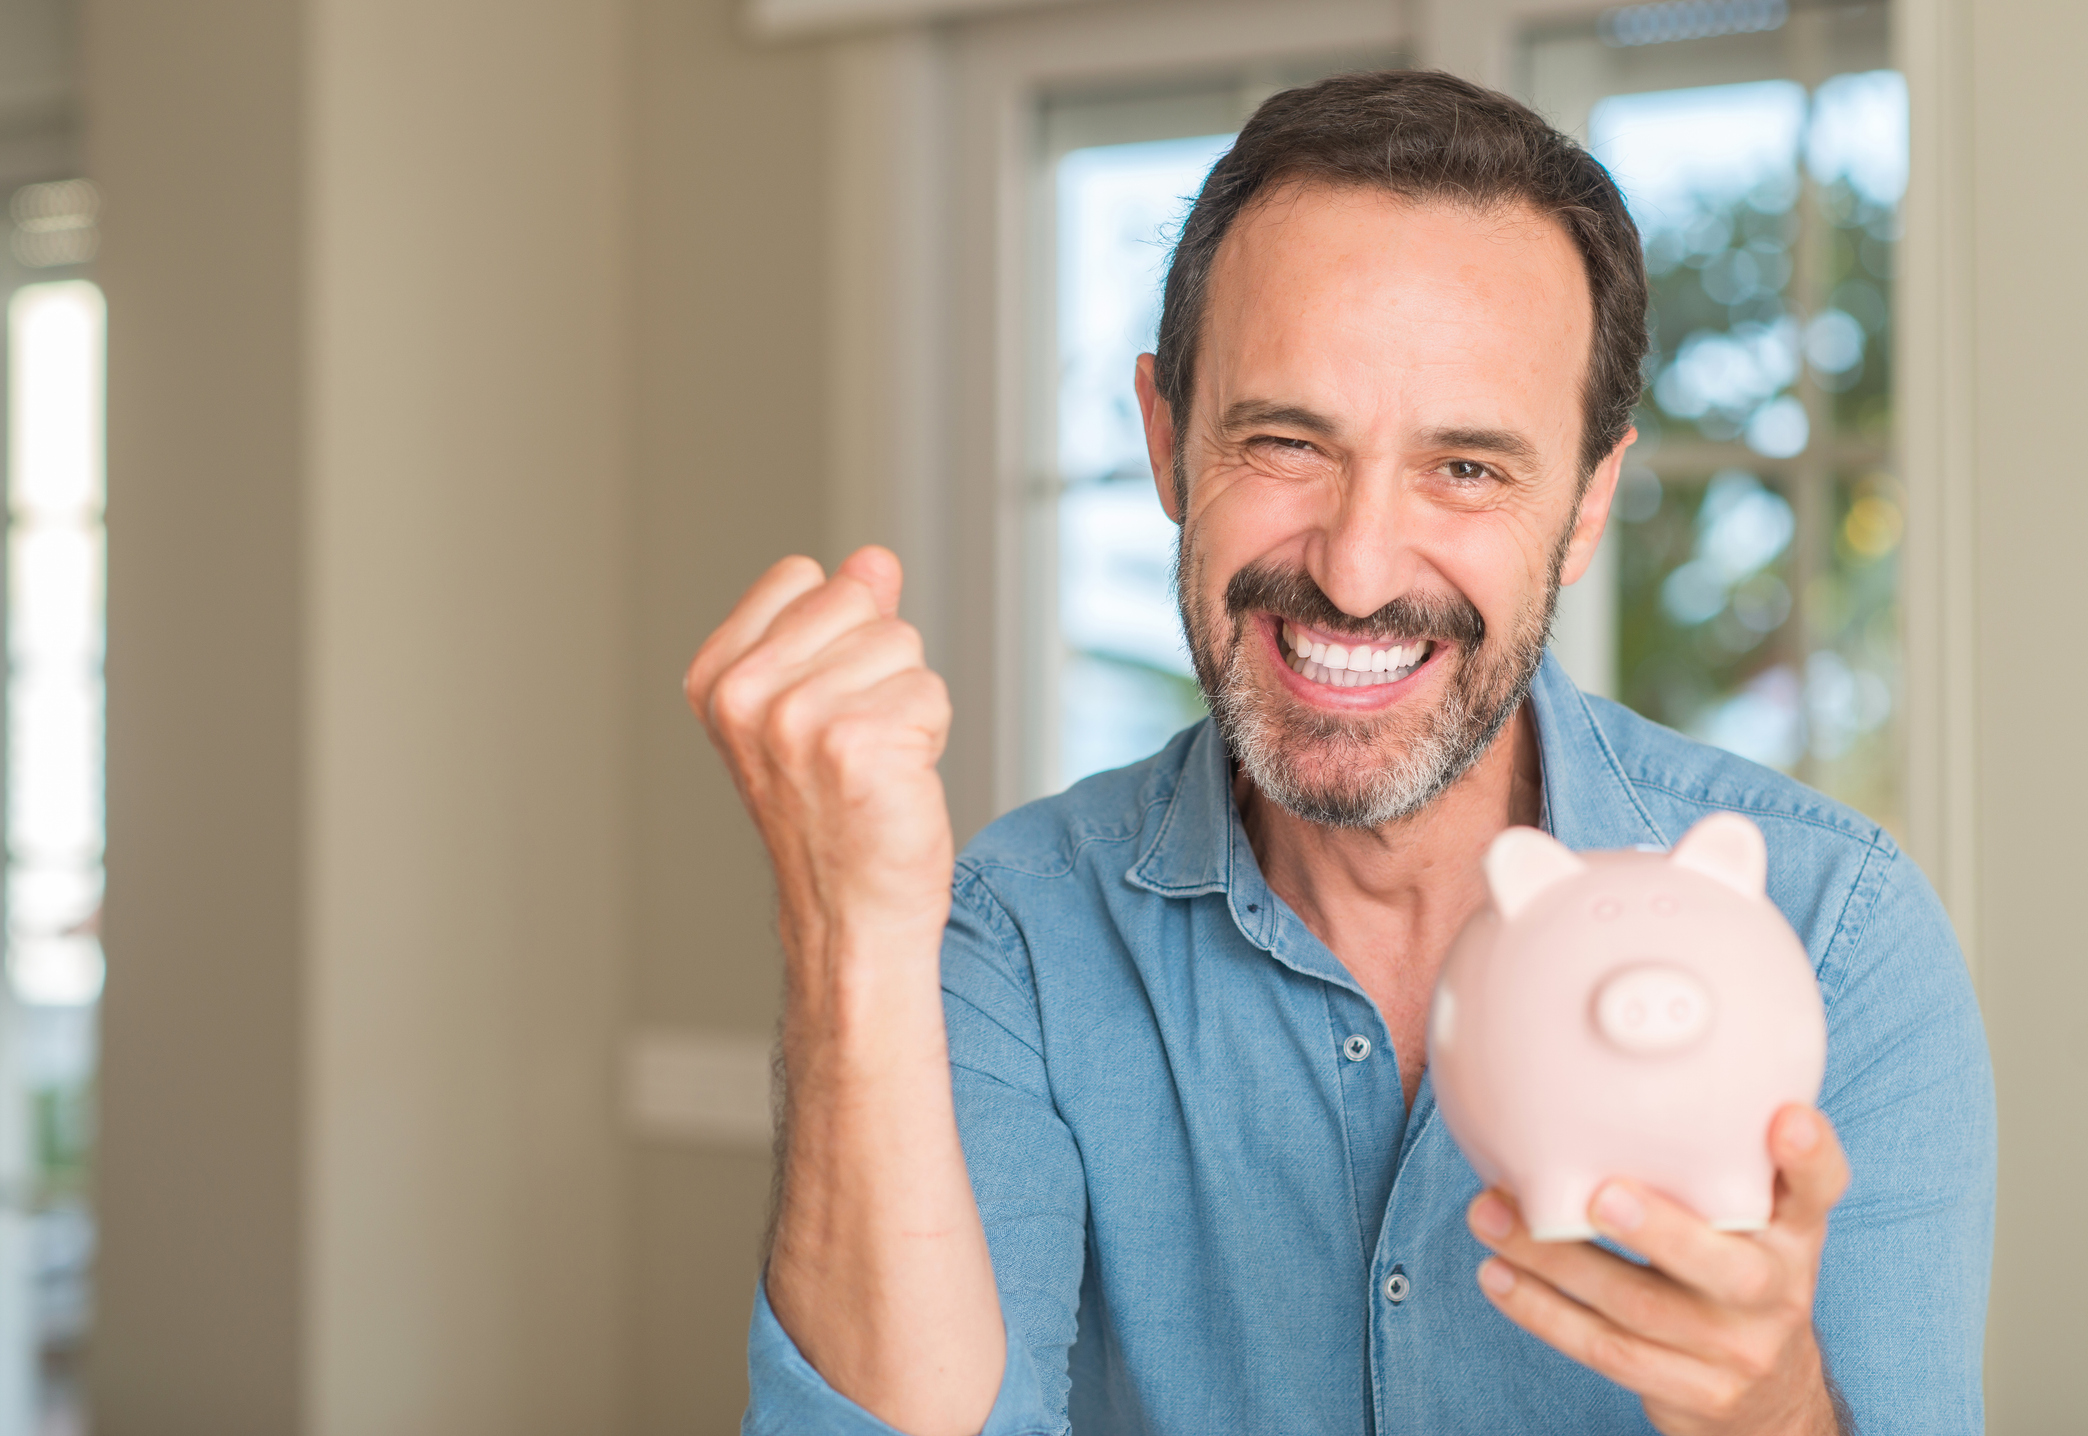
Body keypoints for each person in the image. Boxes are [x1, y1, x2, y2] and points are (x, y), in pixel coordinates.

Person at [690, 71, 1993, 1436]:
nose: (1360, 572)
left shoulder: (1833, 937)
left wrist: (1770, 1411)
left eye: (1469, 469)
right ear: (1166, 441)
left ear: (1588, 500)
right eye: (1287, 441)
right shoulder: (1013, 934)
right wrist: (850, 932)